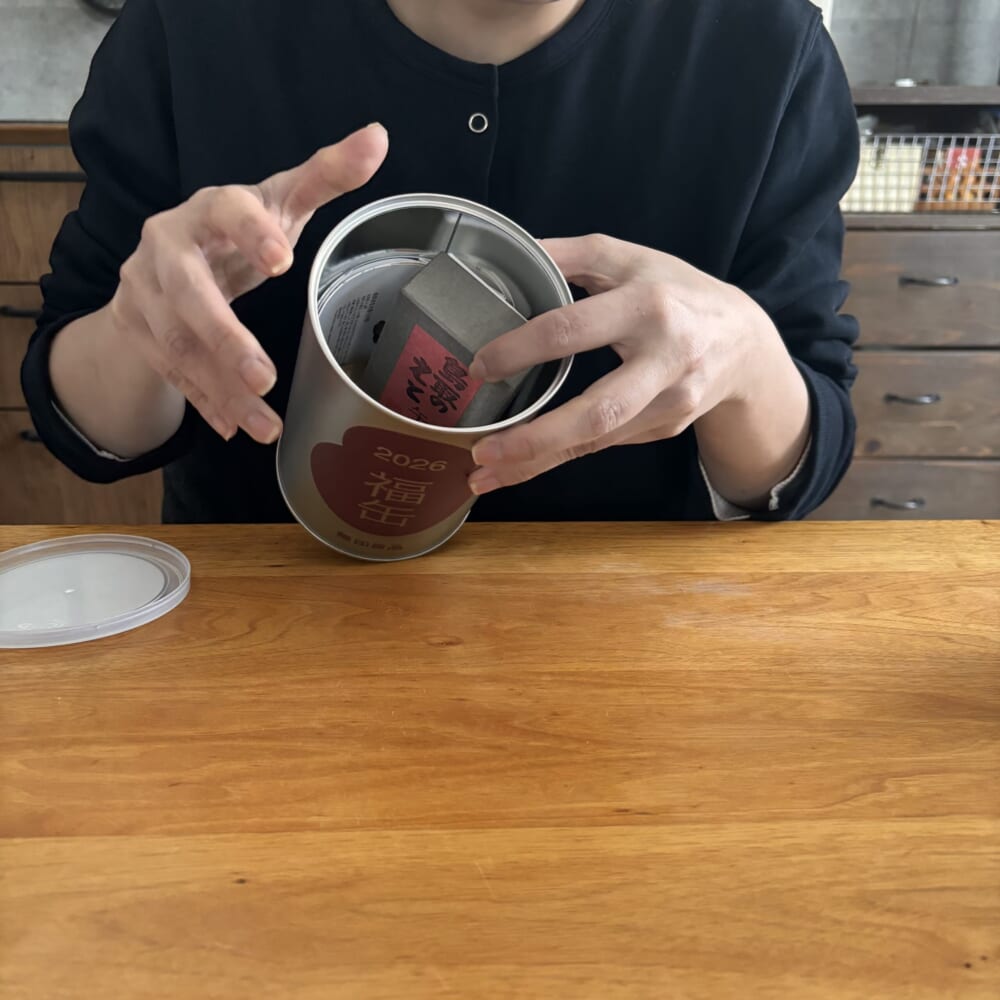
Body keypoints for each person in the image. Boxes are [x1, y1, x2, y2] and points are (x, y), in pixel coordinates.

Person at [21, 0, 860, 525]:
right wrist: (143, 329)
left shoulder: (769, 47)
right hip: (264, 641)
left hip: (617, 647)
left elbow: (796, 467)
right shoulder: (190, 25)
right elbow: (86, 430)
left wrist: (743, 358)